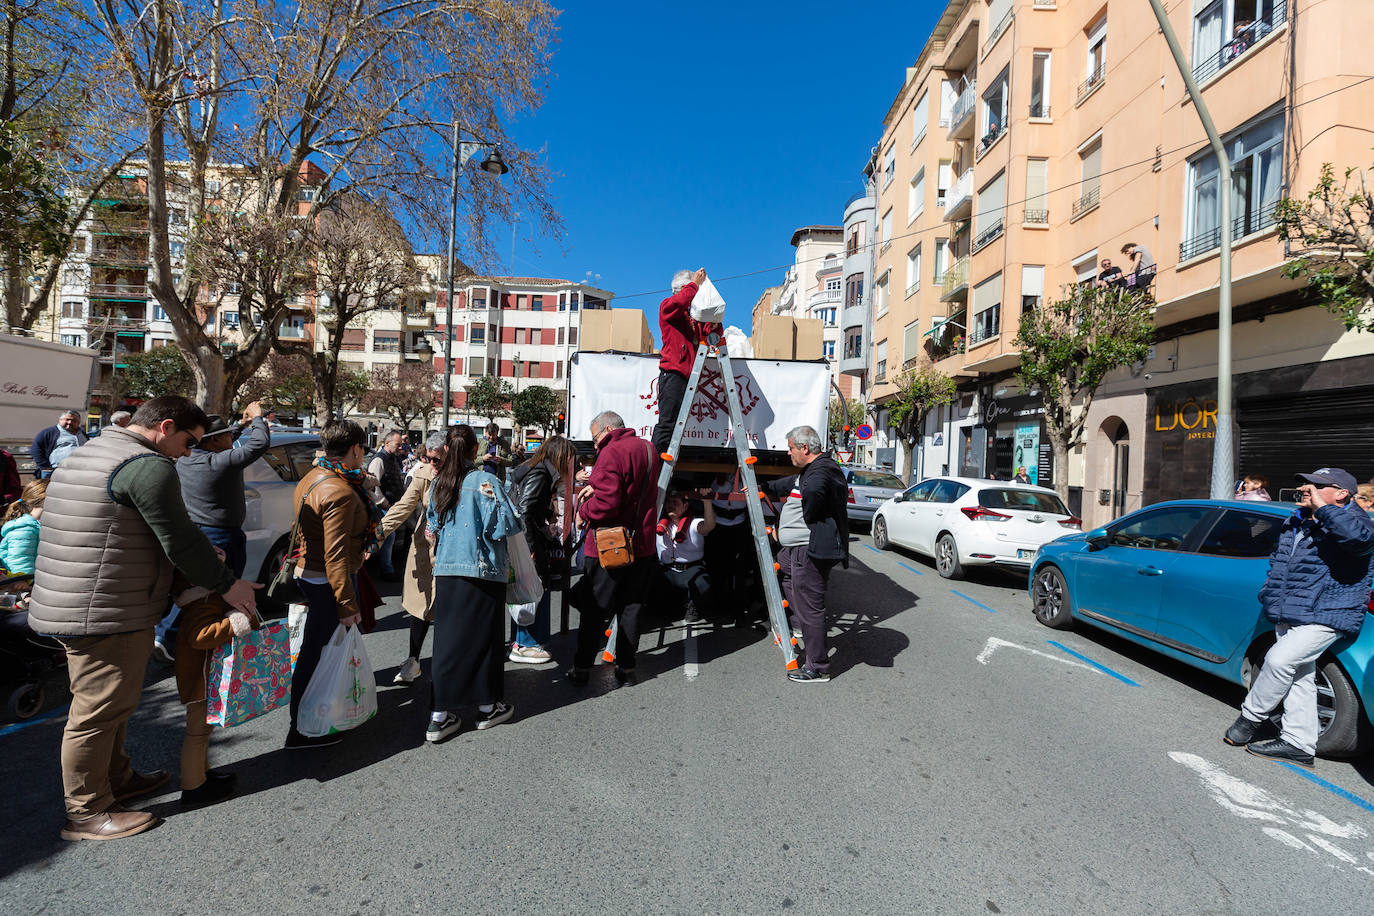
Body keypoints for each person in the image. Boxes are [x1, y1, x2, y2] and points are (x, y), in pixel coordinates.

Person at [26, 395, 260, 841]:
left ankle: (117, 778)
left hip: (81, 600)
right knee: (96, 711)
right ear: (165, 427)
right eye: (189, 441)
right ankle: (88, 811)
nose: (190, 452)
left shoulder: (92, 449)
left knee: (113, 704)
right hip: (106, 606)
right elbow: (178, 538)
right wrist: (231, 584)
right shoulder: (147, 465)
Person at [1223, 467, 1374, 766]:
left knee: (1279, 661)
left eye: (1317, 485)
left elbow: (1359, 542)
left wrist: (1325, 509)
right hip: (1290, 609)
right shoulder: (1296, 519)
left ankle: (1250, 719)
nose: (1306, 488)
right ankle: (1299, 744)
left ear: (1342, 493)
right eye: (1305, 483)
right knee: (1299, 676)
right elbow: (1280, 562)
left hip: (1328, 612)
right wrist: (1270, 594)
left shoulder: (1358, 521)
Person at [424, 424, 522, 743]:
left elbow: (431, 526)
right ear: (474, 449)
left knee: (448, 642)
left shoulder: (440, 482)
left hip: (448, 568)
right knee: (486, 640)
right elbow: (506, 523)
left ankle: (440, 715)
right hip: (481, 569)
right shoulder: (486, 482)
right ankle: (487, 705)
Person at [153, 403, 272, 662]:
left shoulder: (190, 459)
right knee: (216, 591)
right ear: (216, 440)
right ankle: (193, 639)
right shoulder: (219, 462)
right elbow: (258, 445)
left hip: (197, 532)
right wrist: (259, 420)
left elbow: (227, 443)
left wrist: (240, 426)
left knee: (191, 588)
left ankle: (166, 636)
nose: (233, 438)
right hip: (222, 536)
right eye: (228, 434)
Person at [286, 419, 375, 750]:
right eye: (362, 449)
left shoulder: (315, 476)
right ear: (355, 449)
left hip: (311, 572)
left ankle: (313, 719)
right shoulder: (336, 490)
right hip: (326, 578)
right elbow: (335, 555)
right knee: (317, 653)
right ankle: (303, 727)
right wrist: (347, 604)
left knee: (318, 652)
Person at [570, 410, 659, 686]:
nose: (595, 444)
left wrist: (584, 509)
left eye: (596, 437)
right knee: (631, 608)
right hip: (642, 543)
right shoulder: (648, 448)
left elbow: (607, 504)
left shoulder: (611, 452)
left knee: (595, 609)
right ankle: (627, 668)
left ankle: (583, 668)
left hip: (610, 544)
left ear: (608, 429)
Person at [763, 425, 850, 684]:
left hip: (808, 551)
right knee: (787, 574)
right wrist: (764, 486)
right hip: (796, 550)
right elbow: (789, 484)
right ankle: (801, 626)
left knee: (810, 606)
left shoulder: (823, 470)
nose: (788, 453)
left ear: (804, 448)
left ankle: (818, 667)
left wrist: (807, 516)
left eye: (791, 448)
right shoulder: (809, 471)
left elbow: (814, 491)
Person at [170, 577, 255, 809]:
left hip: (205, 678)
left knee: (202, 732)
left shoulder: (202, 600)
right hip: (201, 681)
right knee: (196, 734)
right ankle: (193, 787)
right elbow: (200, 636)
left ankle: (202, 775)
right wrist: (234, 624)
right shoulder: (201, 603)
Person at [379, 429, 446, 684]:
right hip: (426, 550)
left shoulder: (465, 478)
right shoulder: (423, 475)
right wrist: (378, 534)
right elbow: (403, 507)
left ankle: (446, 665)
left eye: (436, 459)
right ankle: (413, 660)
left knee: (450, 610)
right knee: (421, 608)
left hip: (455, 553)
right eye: (428, 458)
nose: (431, 464)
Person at [507, 436, 579, 664]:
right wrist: (530, 549)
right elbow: (525, 511)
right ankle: (527, 644)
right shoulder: (540, 473)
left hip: (520, 540)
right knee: (534, 591)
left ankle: (520, 641)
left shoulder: (533, 468)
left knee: (522, 593)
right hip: (527, 542)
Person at [653, 267, 715, 456]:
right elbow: (680, 302)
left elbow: (705, 332)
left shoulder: (690, 316)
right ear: (683, 289)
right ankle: (652, 465)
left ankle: (663, 466)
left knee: (673, 427)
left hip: (686, 375)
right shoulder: (668, 307)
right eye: (691, 290)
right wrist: (695, 284)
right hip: (673, 373)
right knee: (667, 423)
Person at [654, 489, 717, 624]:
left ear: (685, 506)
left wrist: (707, 502)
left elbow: (709, 525)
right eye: (669, 502)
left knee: (702, 584)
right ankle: (677, 603)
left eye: (675, 502)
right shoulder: (659, 523)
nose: (670, 505)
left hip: (691, 570)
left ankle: (694, 604)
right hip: (667, 570)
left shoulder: (694, 523)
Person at [367, 429, 407, 580]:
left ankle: (386, 567)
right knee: (388, 536)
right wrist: (383, 503)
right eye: (398, 444)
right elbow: (373, 486)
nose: (401, 447)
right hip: (383, 506)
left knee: (388, 536)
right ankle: (387, 570)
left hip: (391, 505)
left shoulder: (392, 458)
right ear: (387, 443)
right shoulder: (379, 460)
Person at [0, 479, 47, 574]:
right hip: (26, 582)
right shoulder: (25, 529)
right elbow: (20, 559)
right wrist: (22, 579)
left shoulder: (33, 525)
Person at [31, 410, 88, 479]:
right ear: (60, 420)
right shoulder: (49, 432)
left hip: (79, 472)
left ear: (78, 423)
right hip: (56, 471)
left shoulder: (83, 435)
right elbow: (35, 449)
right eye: (67, 419)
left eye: (74, 421)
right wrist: (45, 467)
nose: (70, 422)